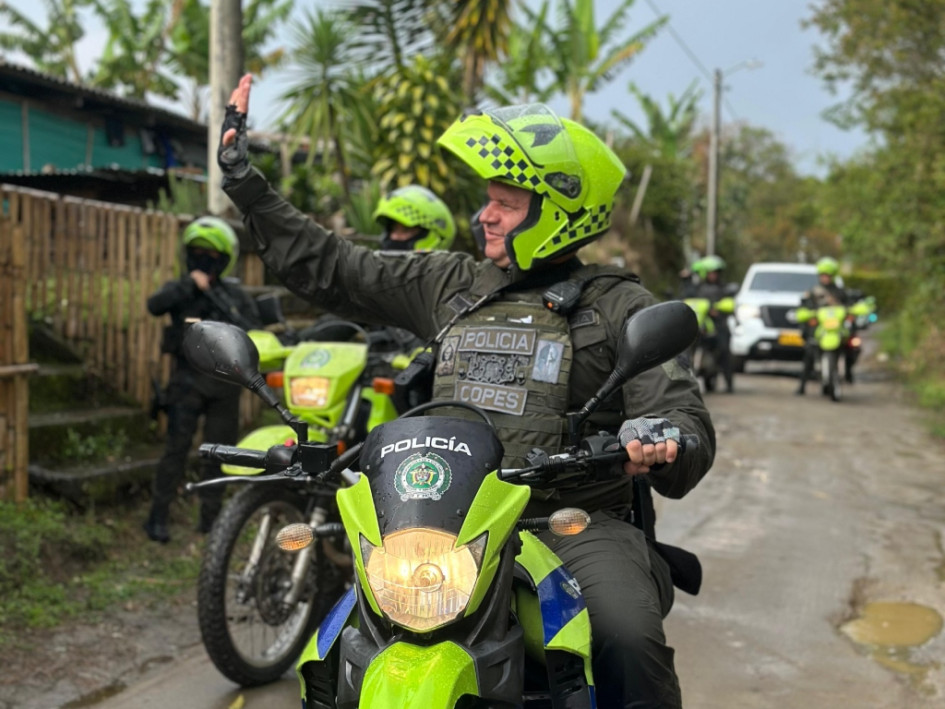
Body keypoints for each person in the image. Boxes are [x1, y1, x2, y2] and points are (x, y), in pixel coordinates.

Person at [218, 74, 715, 708]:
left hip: (569, 521)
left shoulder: (619, 306)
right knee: (338, 643)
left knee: (626, 635)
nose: (486, 215)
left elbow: (681, 415)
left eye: (506, 204)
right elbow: (336, 265)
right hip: (442, 528)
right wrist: (245, 182)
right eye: (489, 201)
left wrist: (662, 439)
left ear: (557, 211)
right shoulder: (451, 283)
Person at [143, 216, 261, 543]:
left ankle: (211, 523)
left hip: (225, 387)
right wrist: (190, 285)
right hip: (187, 383)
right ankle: (157, 519)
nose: (204, 260)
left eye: (211, 255)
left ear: (224, 259)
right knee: (175, 451)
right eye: (197, 253)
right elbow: (154, 305)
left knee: (219, 455)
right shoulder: (180, 289)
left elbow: (253, 328)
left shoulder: (233, 295)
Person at [795, 256, 852, 394]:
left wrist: (850, 314)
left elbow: (849, 306)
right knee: (809, 351)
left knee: (851, 346)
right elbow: (805, 307)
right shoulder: (813, 292)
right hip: (819, 328)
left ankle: (849, 373)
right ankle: (802, 385)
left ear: (833, 276)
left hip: (836, 328)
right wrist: (810, 316)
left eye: (828, 275)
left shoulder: (840, 292)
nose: (825, 278)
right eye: (823, 275)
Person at [691, 255, 735, 393]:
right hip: (700, 324)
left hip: (718, 325)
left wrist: (719, 309)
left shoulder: (723, 288)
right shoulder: (696, 289)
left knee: (724, 349)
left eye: (716, 272)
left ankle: (729, 383)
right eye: (711, 272)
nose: (713, 275)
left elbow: (730, 304)